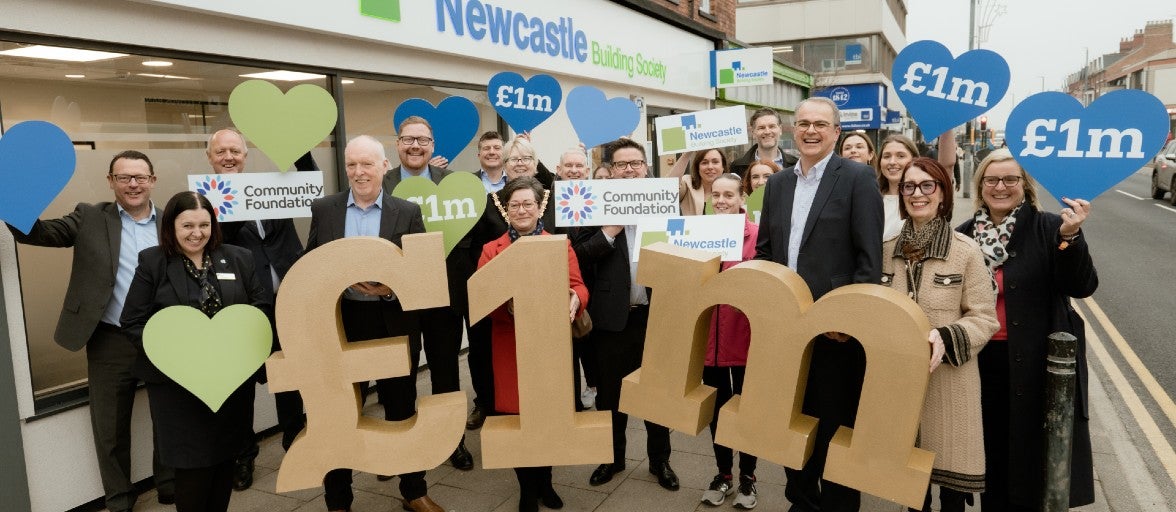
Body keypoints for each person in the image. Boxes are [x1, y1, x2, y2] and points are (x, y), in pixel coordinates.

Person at [7, 150, 174, 510]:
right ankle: (120, 498)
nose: (133, 184)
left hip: (163, 337)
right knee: (109, 428)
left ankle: (169, 483)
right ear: (110, 181)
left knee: (168, 416)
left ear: (153, 181)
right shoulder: (88, 217)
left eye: (140, 177)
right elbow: (38, 233)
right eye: (124, 177)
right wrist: (14, 198)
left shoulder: (171, 222)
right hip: (109, 339)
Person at [754, 97, 883, 512]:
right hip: (786, 326)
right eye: (804, 123)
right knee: (790, 416)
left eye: (820, 125)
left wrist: (850, 318)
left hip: (835, 330)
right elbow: (767, 250)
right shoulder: (777, 184)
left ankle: (841, 504)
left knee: (833, 422)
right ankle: (802, 497)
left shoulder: (858, 178)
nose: (811, 131)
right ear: (794, 129)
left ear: (836, 131)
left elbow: (868, 259)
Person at [956, 149, 1098, 511]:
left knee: (1032, 455)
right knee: (990, 451)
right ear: (980, 185)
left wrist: (1070, 238)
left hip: (1037, 363)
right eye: (991, 180)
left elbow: (1081, 285)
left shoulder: (1051, 227)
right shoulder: (965, 235)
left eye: (1010, 180)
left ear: (1025, 186)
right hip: (981, 360)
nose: (1000, 187)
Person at [309, 135, 443, 512]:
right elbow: (311, 265)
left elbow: (419, 274)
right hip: (342, 325)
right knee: (337, 412)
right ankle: (338, 501)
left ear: (385, 166)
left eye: (366, 164)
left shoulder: (407, 210)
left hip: (392, 321)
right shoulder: (325, 209)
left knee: (402, 407)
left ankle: (413, 491)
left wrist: (390, 288)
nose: (358, 172)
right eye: (352, 164)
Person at [117, 191, 268, 512]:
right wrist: (175, 356)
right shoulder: (153, 262)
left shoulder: (238, 257)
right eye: (187, 225)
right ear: (171, 226)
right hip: (178, 385)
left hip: (230, 380)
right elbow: (132, 321)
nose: (196, 233)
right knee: (192, 466)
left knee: (225, 459)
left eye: (204, 225)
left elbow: (259, 308)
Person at [880, 158, 998, 512]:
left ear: (943, 192)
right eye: (909, 186)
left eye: (927, 185)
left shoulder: (965, 251)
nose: (918, 194)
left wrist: (947, 335)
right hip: (901, 381)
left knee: (951, 490)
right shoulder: (885, 250)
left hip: (949, 380)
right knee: (910, 487)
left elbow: (984, 317)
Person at [573, 138, 679, 491]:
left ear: (646, 167)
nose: (629, 169)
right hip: (611, 318)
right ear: (611, 171)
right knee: (609, 395)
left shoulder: (664, 204)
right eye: (621, 165)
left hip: (656, 316)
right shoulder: (592, 205)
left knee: (655, 394)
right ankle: (611, 459)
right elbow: (579, 255)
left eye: (635, 163)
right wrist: (610, 230)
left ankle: (660, 461)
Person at [205, 128, 307, 491]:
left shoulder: (271, 188)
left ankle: (296, 444)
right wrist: (229, 194)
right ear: (210, 158)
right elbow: (224, 239)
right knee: (241, 389)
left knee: (289, 380)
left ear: (246, 156)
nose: (229, 157)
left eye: (235, 151)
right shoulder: (205, 200)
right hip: (243, 309)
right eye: (221, 152)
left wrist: (297, 143)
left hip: (287, 304)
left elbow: (307, 180)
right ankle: (243, 457)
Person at [478, 176, 588, 512]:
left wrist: (574, 300)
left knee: (547, 418)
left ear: (539, 207)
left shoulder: (560, 244)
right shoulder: (490, 249)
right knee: (518, 420)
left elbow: (578, 286)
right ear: (506, 210)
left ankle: (546, 482)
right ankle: (527, 488)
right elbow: (481, 298)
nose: (521, 210)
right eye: (515, 205)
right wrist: (510, 305)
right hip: (509, 347)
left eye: (528, 203)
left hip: (549, 347)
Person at [381, 116, 475, 470]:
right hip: (396, 298)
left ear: (433, 146)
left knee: (446, 372)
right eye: (408, 140)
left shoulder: (454, 184)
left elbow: (468, 243)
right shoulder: (381, 183)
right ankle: (400, 447)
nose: (415, 146)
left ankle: (453, 441)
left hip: (442, 298)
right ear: (397, 144)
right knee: (398, 374)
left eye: (422, 140)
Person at [699, 173, 760, 509]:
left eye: (728, 195)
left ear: (742, 199)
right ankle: (724, 474)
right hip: (711, 342)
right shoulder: (698, 233)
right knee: (718, 410)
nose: (721, 200)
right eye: (716, 194)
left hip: (747, 341)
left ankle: (749, 477)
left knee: (746, 410)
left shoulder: (756, 236)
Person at [466, 131, 508, 432]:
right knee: (479, 342)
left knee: (509, 339)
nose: (492, 152)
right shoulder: (465, 185)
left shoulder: (518, 181)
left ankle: (509, 398)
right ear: (478, 154)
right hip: (478, 274)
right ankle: (484, 401)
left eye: (496, 147)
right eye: (486, 148)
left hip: (516, 272)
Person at [554, 147, 600, 410]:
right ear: (559, 170)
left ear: (587, 171)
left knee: (590, 340)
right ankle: (566, 397)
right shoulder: (548, 200)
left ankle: (592, 386)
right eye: (568, 166)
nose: (573, 170)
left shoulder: (598, 197)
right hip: (560, 282)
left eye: (578, 166)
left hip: (593, 280)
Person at [731, 107, 799, 176]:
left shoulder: (796, 164)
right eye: (761, 128)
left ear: (780, 130)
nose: (767, 132)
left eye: (772, 126)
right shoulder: (737, 167)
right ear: (753, 133)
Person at [877, 135, 920, 240]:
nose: (892, 162)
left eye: (900, 156)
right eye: (886, 156)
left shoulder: (921, 198)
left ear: (914, 159)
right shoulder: (870, 197)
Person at [666, 149, 728, 216]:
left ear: (723, 167)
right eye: (704, 163)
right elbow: (669, 187)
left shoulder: (733, 187)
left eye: (715, 162)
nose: (710, 167)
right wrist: (688, 152)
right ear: (698, 168)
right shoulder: (688, 184)